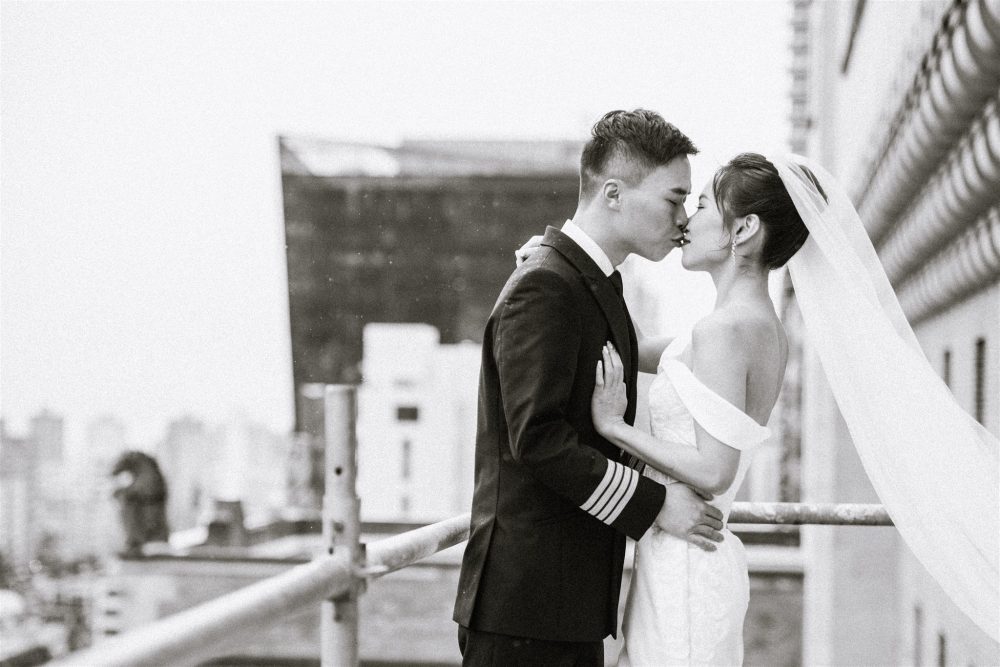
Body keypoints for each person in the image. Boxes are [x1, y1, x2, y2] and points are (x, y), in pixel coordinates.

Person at [526, 152, 999, 662]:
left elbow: (714, 469)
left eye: (702, 204)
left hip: (688, 564)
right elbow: (631, 345)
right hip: (683, 559)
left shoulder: (726, 331)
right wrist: (563, 263)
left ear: (743, 229)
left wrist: (614, 427)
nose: (686, 220)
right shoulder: (748, 325)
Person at [452, 109, 727, 666]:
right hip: (525, 611)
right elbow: (538, 440)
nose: (681, 221)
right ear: (613, 193)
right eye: (674, 199)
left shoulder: (585, 280)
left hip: (561, 605)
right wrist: (652, 505)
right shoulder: (547, 285)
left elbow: (643, 354)